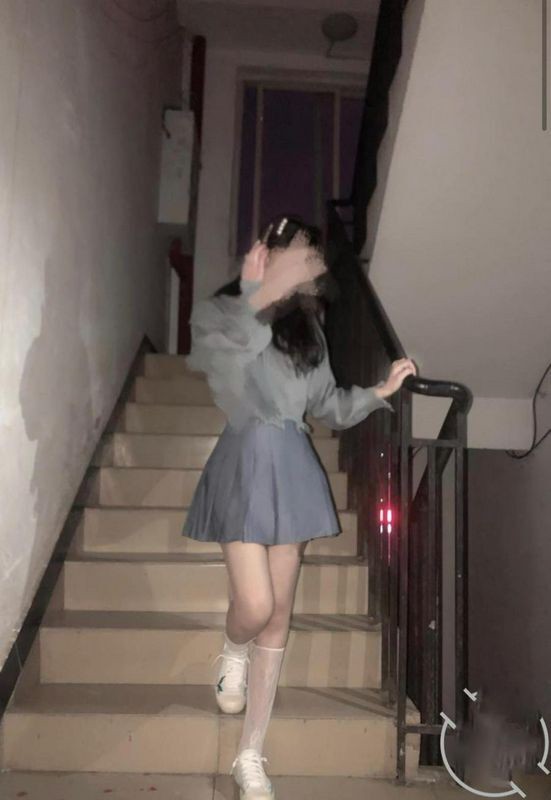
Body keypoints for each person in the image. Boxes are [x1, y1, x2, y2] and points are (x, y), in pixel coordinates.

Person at [182, 213, 417, 799]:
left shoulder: (310, 330)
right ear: (271, 256)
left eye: (312, 255)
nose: (311, 263)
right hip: (242, 462)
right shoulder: (233, 309)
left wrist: (379, 391)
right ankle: (232, 648)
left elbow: (327, 403)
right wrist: (250, 291)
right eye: (302, 253)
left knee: (279, 612)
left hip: (291, 466)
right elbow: (221, 371)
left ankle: (250, 754)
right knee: (255, 604)